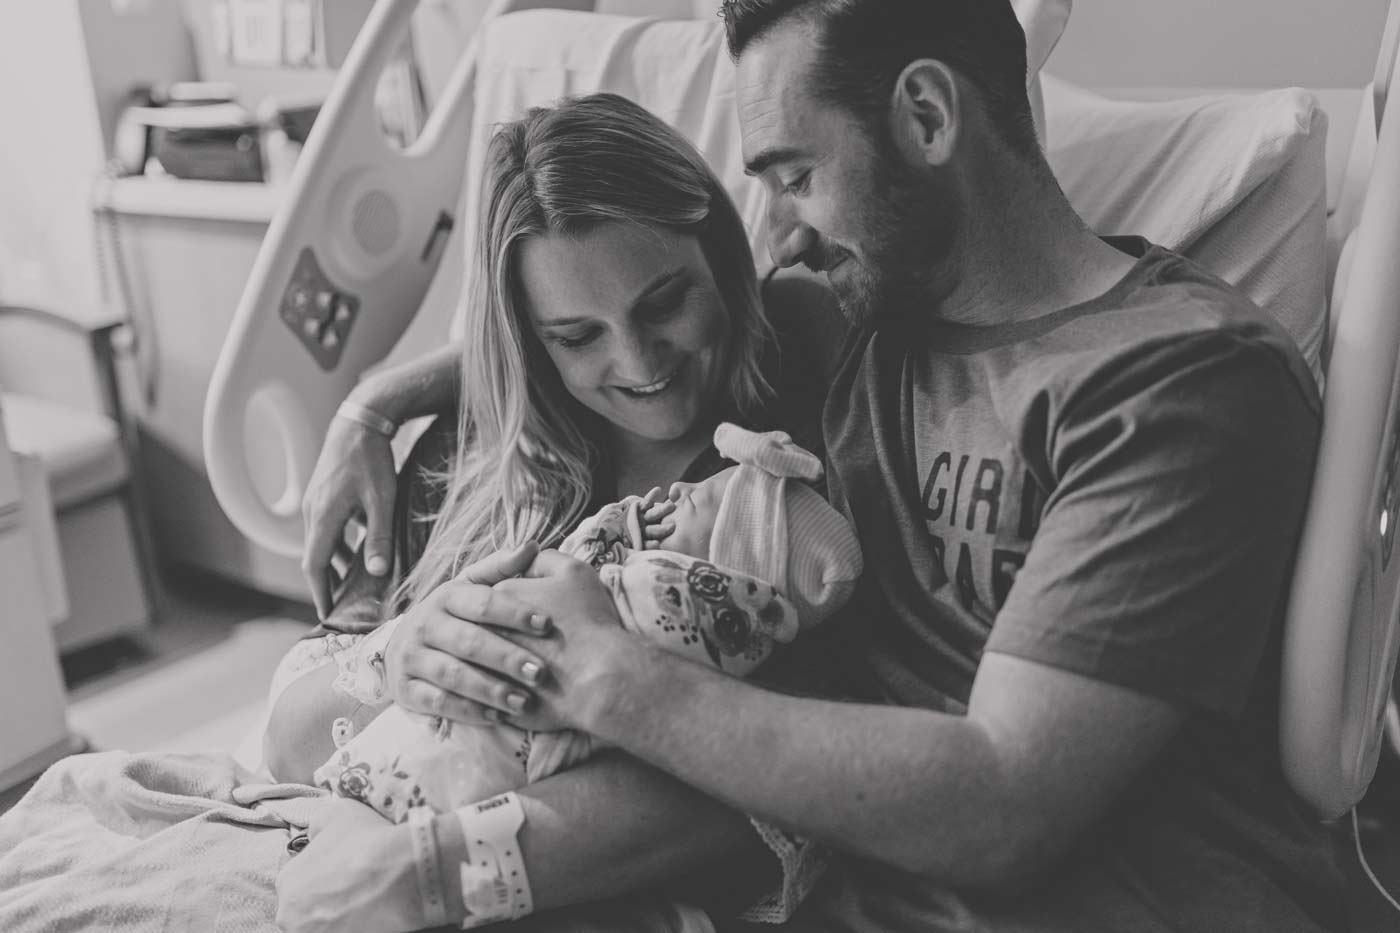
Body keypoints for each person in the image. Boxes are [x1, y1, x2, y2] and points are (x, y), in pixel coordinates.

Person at [282, 1, 1348, 931]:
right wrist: (370, 410)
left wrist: (606, 676)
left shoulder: (1175, 379)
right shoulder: (848, 310)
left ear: (926, 118)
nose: (778, 230)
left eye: (794, 175)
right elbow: (592, 318)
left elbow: (1004, 808)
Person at [268, 91, 853, 932]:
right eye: (578, 336)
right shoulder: (465, 466)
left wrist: (439, 873)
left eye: (665, 303)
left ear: (721, 255)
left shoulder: (779, 471)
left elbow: (773, 783)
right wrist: (397, 655)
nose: (640, 361)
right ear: (529, 339)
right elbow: (285, 738)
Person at [313, 423, 861, 826]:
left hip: (506, 751)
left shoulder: (704, 610)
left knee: (403, 780)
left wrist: (615, 539)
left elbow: (586, 584)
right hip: (447, 721)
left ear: (727, 563)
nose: (681, 489)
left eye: (708, 499)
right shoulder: (689, 602)